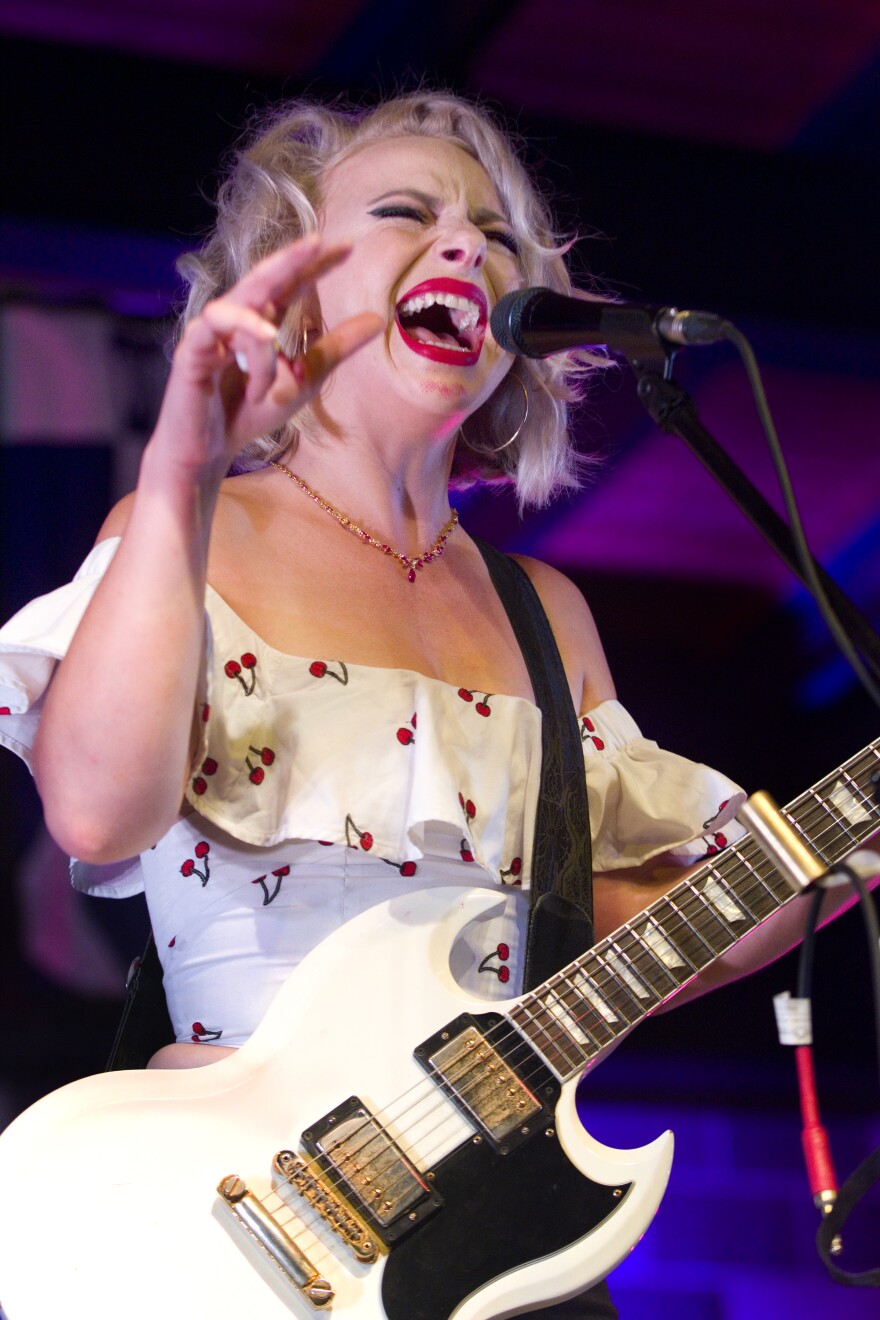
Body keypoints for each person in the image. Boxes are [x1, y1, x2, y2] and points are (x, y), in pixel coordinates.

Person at [0, 91, 863, 1318]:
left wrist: (812, 868)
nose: (468, 247)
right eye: (408, 213)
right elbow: (96, 812)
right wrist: (181, 476)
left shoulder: (542, 611)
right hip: (236, 1224)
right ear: (292, 294)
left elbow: (596, 946)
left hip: (506, 1249)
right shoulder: (185, 532)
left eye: (497, 234)